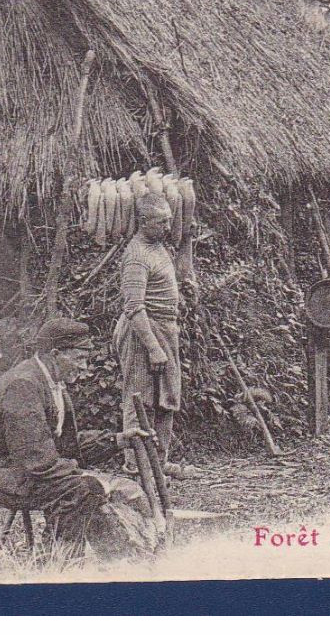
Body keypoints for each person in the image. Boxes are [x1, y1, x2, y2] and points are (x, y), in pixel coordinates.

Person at [0, 318, 153, 559]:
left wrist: (119, 439)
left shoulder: (52, 383)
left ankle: (123, 559)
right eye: (79, 359)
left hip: (35, 471)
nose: (85, 367)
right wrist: (87, 477)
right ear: (55, 353)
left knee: (117, 490)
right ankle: (57, 562)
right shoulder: (23, 385)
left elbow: (65, 445)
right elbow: (36, 458)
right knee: (85, 489)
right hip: (12, 477)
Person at [116, 191, 187, 475]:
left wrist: (189, 241)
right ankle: (135, 465)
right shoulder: (136, 255)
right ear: (144, 222)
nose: (168, 228)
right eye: (161, 222)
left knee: (167, 397)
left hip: (166, 329)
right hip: (143, 332)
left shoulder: (158, 247)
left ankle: (158, 460)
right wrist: (153, 347)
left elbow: (181, 275)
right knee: (140, 398)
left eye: (169, 221)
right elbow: (133, 306)